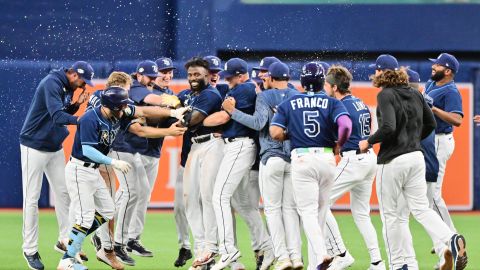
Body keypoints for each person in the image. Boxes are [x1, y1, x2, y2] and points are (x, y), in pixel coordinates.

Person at [358, 54, 467, 270]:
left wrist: (368, 142)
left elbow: (388, 127)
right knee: (421, 209)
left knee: (390, 216)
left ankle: (400, 265)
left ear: (382, 73)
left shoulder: (385, 95)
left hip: (393, 161)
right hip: (416, 158)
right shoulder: (415, 93)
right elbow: (431, 123)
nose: (375, 73)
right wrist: (414, 139)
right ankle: (450, 238)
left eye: (377, 70)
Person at [270, 62, 352, 270]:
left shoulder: (290, 102)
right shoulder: (332, 103)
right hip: (326, 158)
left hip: (303, 158)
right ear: (323, 81)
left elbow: (275, 133)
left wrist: (292, 133)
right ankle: (318, 262)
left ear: (303, 81)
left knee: (307, 212)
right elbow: (346, 125)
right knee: (322, 211)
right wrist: (339, 145)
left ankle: (322, 253)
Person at [222, 61, 303, 270]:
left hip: (272, 157)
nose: (262, 79)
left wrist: (233, 112)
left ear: (271, 78)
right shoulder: (298, 96)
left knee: (273, 210)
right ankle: (297, 258)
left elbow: (258, 124)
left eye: (265, 76)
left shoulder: (265, 96)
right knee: (291, 211)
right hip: (293, 159)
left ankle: (281, 257)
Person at [20, 61, 93, 270]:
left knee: (65, 194)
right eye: (81, 80)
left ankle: (64, 241)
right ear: (72, 74)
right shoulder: (51, 83)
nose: (81, 85)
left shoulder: (64, 86)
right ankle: (30, 249)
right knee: (31, 199)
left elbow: (59, 112)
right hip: (33, 146)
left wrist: (75, 106)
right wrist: (82, 119)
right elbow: (56, 116)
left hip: (54, 146)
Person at [203, 57, 274, 270]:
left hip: (240, 146)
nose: (229, 80)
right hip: (238, 145)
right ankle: (268, 248)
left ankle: (228, 250)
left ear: (242, 75)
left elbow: (223, 118)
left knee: (219, 197)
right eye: (227, 76)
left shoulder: (243, 89)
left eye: (232, 76)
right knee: (243, 205)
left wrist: (201, 120)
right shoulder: (245, 89)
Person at [322, 64, 386, 270]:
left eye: (326, 84)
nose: (324, 88)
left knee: (318, 203)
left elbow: (342, 131)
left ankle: (340, 253)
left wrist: (335, 145)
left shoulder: (341, 105)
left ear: (334, 87)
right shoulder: (358, 102)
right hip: (368, 159)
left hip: (353, 160)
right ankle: (377, 262)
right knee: (361, 213)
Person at [179, 57, 224, 270]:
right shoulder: (188, 95)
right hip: (194, 148)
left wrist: (174, 112)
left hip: (212, 145)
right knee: (189, 199)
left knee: (208, 197)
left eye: (197, 74)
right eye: (190, 75)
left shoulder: (210, 94)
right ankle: (201, 252)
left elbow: (191, 120)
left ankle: (211, 250)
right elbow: (168, 106)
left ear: (207, 76)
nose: (193, 78)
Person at [424, 53, 463, 251]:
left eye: (437, 66)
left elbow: (457, 120)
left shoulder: (451, 91)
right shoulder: (432, 84)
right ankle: (443, 238)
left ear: (447, 71)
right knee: (427, 195)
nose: (433, 67)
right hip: (431, 140)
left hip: (441, 140)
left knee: (433, 194)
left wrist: (435, 110)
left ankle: (452, 237)